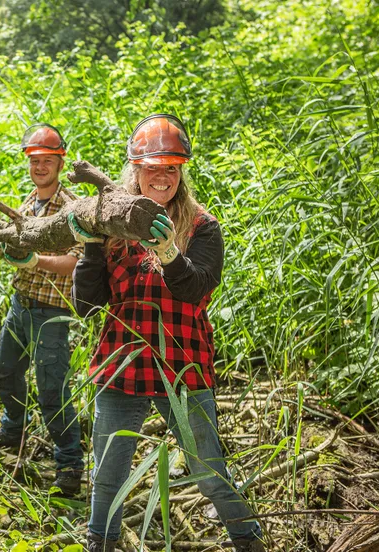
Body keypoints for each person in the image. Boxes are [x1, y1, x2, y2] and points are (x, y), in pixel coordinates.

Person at [69, 114, 266, 551]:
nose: (162, 176)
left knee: (209, 471)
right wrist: (90, 248)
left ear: (182, 172)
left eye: (171, 168)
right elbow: (87, 306)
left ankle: (250, 543)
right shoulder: (112, 223)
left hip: (183, 366)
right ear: (135, 170)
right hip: (121, 364)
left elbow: (197, 291)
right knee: (107, 476)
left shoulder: (202, 226)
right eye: (153, 167)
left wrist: (168, 252)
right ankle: (99, 544)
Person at [0, 123, 86, 496]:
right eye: (35, 160)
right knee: (5, 371)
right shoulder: (28, 203)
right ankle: (13, 428)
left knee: (53, 391)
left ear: (59, 162)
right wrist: (4, 245)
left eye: (47, 161)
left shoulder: (70, 209)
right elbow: (15, 243)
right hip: (19, 306)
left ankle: (70, 464)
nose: (40, 167)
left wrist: (34, 260)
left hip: (51, 313)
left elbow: (76, 263)